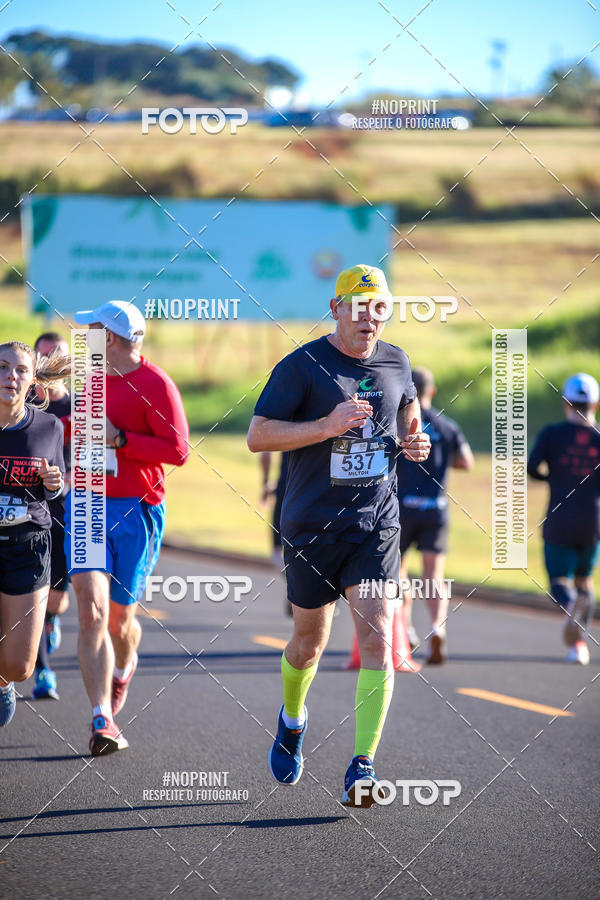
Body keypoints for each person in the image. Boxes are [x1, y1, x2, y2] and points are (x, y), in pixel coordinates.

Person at [247, 264, 431, 807]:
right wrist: (325, 426)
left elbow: (409, 413)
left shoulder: (397, 362)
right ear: (336, 309)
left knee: (376, 635)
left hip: (375, 524)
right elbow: (259, 435)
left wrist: (413, 442)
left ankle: (362, 765)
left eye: (379, 308)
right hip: (310, 525)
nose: (369, 318)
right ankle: (292, 718)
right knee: (310, 642)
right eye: (359, 306)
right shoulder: (302, 366)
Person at [67, 301, 189, 755]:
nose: (86, 339)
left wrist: (120, 439)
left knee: (120, 620)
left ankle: (123, 668)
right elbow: (77, 429)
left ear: (111, 339)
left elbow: (177, 451)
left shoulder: (156, 384)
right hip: (86, 503)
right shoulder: (90, 379)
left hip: (137, 510)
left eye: (93, 331)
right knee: (91, 610)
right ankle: (102, 716)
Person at [0, 341, 68, 726]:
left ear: (31, 381)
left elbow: (54, 489)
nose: (11, 375)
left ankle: (2, 682)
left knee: (20, 665)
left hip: (28, 546)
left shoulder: (48, 427)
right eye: (3, 367)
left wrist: (54, 482)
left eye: (21, 370)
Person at [396, 367, 474, 664]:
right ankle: (437, 627)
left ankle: (407, 631)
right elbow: (466, 461)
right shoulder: (447, 426)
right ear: (432, 391)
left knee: (398, 572)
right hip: (436, 508)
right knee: (433, 574)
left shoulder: (400, 424)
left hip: (404, 507)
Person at [527, 372, 600, 665]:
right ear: (596, 403)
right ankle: (579, 646)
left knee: (559, 579)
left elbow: (533, 468)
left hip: (560, 516)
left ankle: (570, 607)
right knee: (585, 580)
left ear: (566, 403)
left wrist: (554, 478)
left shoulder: (551, 433)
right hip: (593, 521)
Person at [30, 332, 72, 701]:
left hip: (67, 514)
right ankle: (43, 671)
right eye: (43, 357)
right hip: (31, 515)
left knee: (57, 600)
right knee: (34, 595)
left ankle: (53, 621)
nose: (50, 364)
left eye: (56, 355)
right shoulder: (22, 406)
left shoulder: (80, 410)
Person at [259, 450, 291, 614]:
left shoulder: (287, 422)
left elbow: (265, 452)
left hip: (285, 489)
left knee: (277, 551)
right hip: (317, 492)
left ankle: (296, 585)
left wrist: (266, 482)